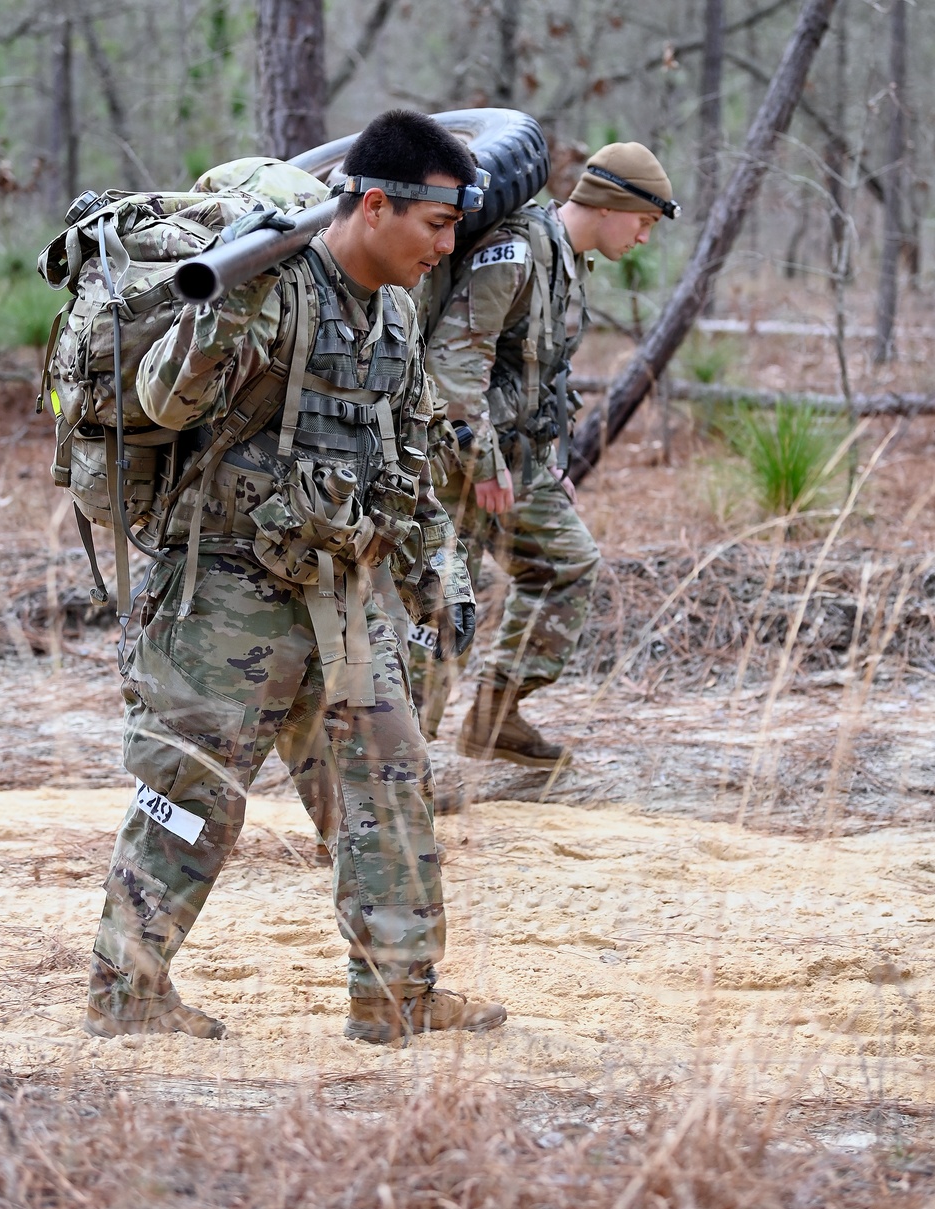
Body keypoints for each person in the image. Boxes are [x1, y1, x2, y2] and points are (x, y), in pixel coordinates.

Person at [83, 109, 506, 1045]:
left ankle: (396, 996)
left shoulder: (394, 310)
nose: (447, 246)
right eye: (436, 226)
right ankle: (127, 992)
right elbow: (165, 399)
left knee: (390, 786)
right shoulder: (274, 287)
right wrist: (221, 303)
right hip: (228, 596)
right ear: (378, 204)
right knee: (192, 795)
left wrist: (442, 572)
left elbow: (410, 456)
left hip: (346, 597)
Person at [409, 142, 679, 767]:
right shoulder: (519, 251)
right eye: (643, 222)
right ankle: (398, 769)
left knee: (565, 564)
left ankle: (496, 718)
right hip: (457, 459)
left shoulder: (568, 263)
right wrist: (483, 466)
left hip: (515, 458)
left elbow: (541, 376)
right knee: (442, 602)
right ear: (613, 206)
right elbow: (453, 367)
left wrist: (549, 458)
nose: (643, 238)